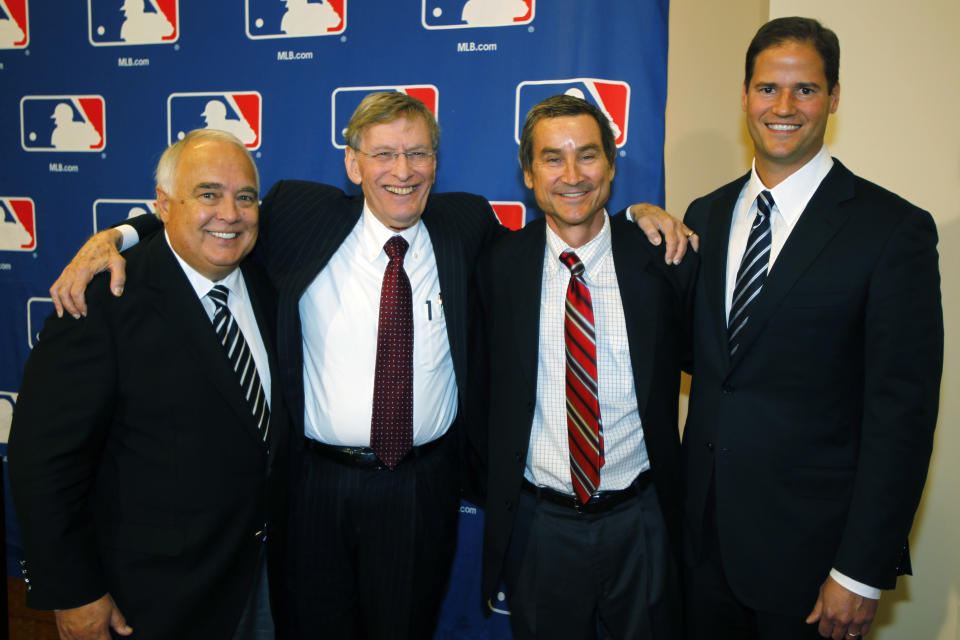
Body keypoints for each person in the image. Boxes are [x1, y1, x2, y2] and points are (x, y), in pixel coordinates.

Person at [46, 93, 694, 639]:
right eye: (383, 154)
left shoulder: (465, 225)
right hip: (313, 489)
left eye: (417, 153)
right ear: (353, 163)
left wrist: (638, 215)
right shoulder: (300, 214)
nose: (402, 171)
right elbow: (215, 219)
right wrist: (120, 236)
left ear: (436, 162)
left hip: (421, 487)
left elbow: (568, 228)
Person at [681, 17, 942, 640]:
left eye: (806, 90)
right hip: (700, 552)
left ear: (834, 97)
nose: (784, 107)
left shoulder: (892, 230)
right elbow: (709, 364)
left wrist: (859, 571)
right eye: (769, 88)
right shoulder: (705, 215)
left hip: (812, 566)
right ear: (745, 95)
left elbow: (901, 415)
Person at [9, 129, 288, 640]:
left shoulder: (270, 281)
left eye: (244, 196)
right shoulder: (103, 301)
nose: (230, 212)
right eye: (207, 194)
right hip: (153, 601)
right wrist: (72, 589)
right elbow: (42, 461)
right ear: (164, 205)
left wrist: (119, 231)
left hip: (265, 582)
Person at [472, 94, 696, 639]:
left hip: (642, 519)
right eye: (552, 158)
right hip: (540, 526)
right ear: (528, 173)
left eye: (587, 155)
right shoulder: (497, 266)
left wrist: (644, 214)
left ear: (613, 167)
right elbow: (479, 392)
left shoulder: (664, 258)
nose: (571, 175)